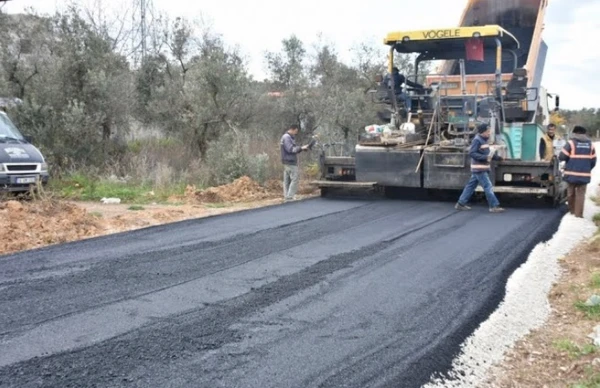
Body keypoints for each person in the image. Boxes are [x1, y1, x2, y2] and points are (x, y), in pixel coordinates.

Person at [455, 123, 505, 213]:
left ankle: (460, 203)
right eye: (487, 131)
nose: (489, 133)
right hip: (479, 168)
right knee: (488, 186)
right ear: (482, 132)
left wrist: (498, 158)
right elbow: (472, 153)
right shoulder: (477, 140)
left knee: (470, 186)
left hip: (480, 168)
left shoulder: (484, 140)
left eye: (489, 131)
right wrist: (485, 158)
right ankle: (493, 206)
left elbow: (487, 154)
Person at [558, 125, 596, 218]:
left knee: (570, 193)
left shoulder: (571, 143)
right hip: (584, 175)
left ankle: (572, 211)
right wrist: (587, 169)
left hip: (571, 174)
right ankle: (578, 215)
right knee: (581, 195)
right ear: (584, 133)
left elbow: (562, 156)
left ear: (575, 133)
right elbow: (593, 161)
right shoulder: (590, 144)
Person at [280, 124, 309, 202]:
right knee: (295, 178)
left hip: (287, 161)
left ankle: (287, 197)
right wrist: (301, 148)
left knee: (287, 179)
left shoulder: (288, 137)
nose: (296, 133)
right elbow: (291, 149)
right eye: (295, 131)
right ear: (292, 129)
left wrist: (301, 149)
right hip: (290, 161)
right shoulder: (287, 137)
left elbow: (293, 149)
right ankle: (289, 197)